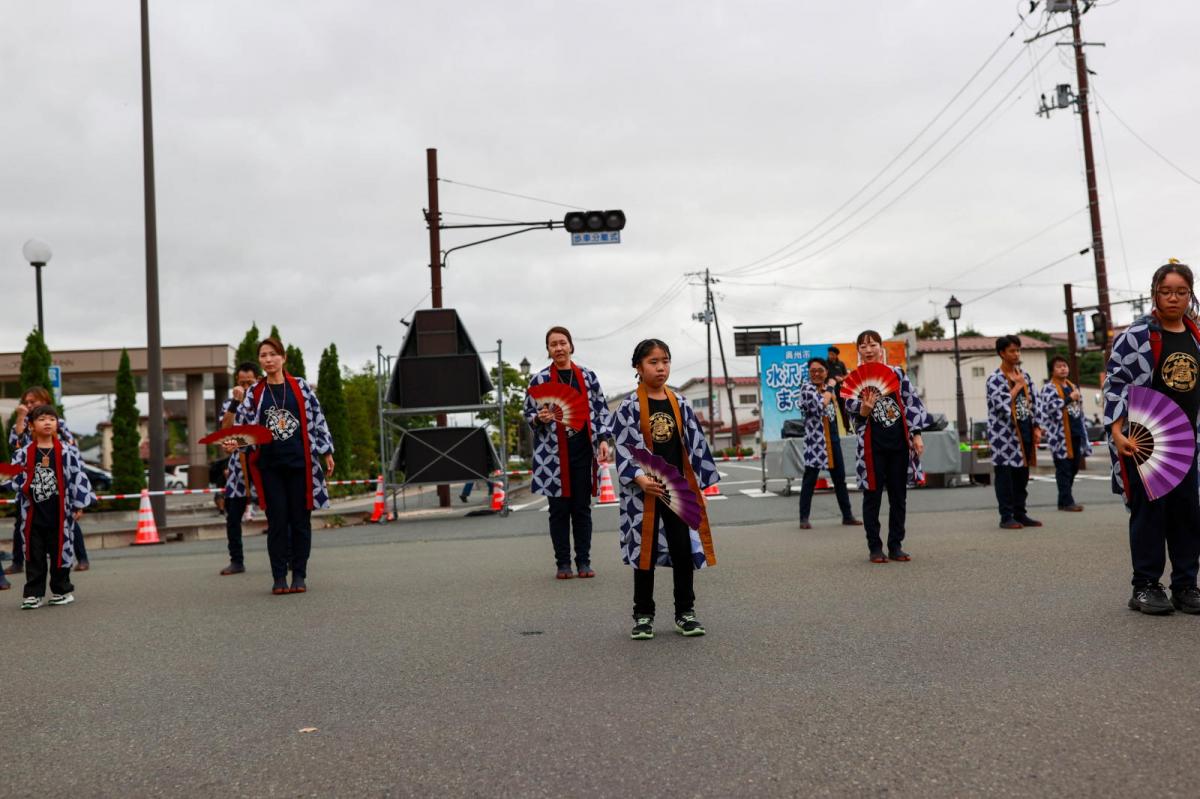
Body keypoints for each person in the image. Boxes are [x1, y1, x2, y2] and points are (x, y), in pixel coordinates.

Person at [1104, 261, 1200, 615]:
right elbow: (1116, 384)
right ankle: (1145, 585)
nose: (1174, 298)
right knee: (1150, 514)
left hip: (1188, 441)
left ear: (1190, 295)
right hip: (1146, 440)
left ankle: (1186, 585)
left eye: (1181, 292)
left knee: (1188, 513)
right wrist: (1117, 431)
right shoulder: (1137, 336)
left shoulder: (1196, 335)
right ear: (1154, 294)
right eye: (1166, 291)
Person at [613, 339, 719, 639]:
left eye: (665, 361)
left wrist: (699, 490)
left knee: (682, 550)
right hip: (642, 492)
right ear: (638, 367)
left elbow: (695, 446)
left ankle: (685, 612)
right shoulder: (628, 407)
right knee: (643, 552)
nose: (661, 368)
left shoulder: (680, 403)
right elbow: (624, 447)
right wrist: (638, 477)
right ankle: (643, 615)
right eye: (653, 362)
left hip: (677, 490)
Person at [226, 338, 334, 595]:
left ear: (283, 358)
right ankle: (278, 577)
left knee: (300, 521)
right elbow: (244, 427)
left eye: (273, 354)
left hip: (300, 464)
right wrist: (235, 443)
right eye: (263, 355)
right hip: (270, 466)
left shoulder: (301, 387)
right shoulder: (255, 392)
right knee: (277, 522)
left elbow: (318, 418)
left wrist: (326, 451)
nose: (268, 359)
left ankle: (299, 574)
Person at [523, 326, 613, 580]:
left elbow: (601, 410)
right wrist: (539, 418)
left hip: (583, 450)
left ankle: (584, 561)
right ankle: (563, 563)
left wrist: (603, 439)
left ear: (571, 346)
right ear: (548, 350)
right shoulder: (539, 380)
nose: (559, 348)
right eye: (553, 344)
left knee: (582, 509)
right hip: (552, 457)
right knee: (559, 511)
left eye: (563, 343)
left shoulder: (588, 377)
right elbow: (528, 413)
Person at [844, 330, 929, 564]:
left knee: (898, 496)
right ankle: (874, 547)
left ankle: (895, 545)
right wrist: (863, 411)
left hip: (899, 442)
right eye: (863, 346)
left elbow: (911, 403)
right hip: (871, 446)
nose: (868, 350)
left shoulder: (897, 373)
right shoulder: (853, 379)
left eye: (873, 345)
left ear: (881, 348)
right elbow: (853, 418)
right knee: (872, 496)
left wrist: (917, 434)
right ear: (858, 351)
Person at [9, 405, 93, 609]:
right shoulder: (24, 452)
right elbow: (13, 477)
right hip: (32, 512)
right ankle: (33, 594)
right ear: (31, 425)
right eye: (41, 419)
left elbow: (77, 477)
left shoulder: (67, 451)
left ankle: (61, 590)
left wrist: (78, 504)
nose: (47, 422)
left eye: (51, 419)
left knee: (60, 552)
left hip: (60, 512)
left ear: (57, 424)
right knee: (33, 553)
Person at [986, 335, 1043, 529]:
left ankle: (1020, 513)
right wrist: (1018, 386)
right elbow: (1001, 406)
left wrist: (1037, 426)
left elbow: (1035, 402)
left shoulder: (1025, 375)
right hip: (1003, 435)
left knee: (1022, 474)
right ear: (1002, 353)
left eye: (1018, 350)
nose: (1016, 354)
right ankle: (1006, 516)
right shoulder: (995, 378)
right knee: (1005, 476)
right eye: (1012, 350)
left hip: (1025, 429)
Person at [797, 357, 860, 529]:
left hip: (832, 439)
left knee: (840, 479)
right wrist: (831, 386)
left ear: (826, 372)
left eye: (820, 370)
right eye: (813, 371)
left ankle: (847, 516)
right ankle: (804, 518)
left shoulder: (828, 390)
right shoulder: (807, 388)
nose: (816, 374)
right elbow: (820, 406)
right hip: (815, 442)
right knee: (809, 480)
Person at [217, 362, 261, 575]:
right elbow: (225, 430)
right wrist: (235, 402)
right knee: (233, 514)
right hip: (238, 463)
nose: (245, 387)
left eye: (249, 382)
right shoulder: (229, 403)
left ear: (258, 380)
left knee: (278, 510)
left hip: (263, 460)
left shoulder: (264, 400)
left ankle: (287, 556)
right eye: (242, 383)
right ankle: (236, 560)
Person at [1038, 355, 1091, 512]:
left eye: (1065, 366)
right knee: (1064, 469)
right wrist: (1069, 398)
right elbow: (1050, 409)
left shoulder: (1072, 386)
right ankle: (1067, 501)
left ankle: (1063, 500)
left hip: (1076, 432)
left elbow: (1079, 411)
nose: (1063, 368)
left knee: (1074, 468)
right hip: (1059, 436)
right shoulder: (1048, 388)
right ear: (1052, 371)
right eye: (1059, 366)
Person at [826, 345, 850, 432]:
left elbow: (846, 375)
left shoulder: (841, 364)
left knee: (844, 409)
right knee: (832, 410)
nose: (830, 356)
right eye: (829, 354)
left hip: (840, 389)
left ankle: (847, 429)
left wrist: (842, 378)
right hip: (829, 390)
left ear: (836, 355)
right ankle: (834, 430)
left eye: (832, 354)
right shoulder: (825, 364)